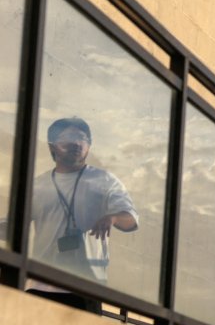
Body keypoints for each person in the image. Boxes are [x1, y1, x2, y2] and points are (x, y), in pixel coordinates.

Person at [24, 117, 139, 313]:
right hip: (40, 286)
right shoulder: (38, 185)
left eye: (83, 138)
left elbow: (131, 220)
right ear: (52, 147)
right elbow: (12, 224)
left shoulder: (104, 180)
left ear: (89, 146)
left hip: (87, 288)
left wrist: (112, 218)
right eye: (69, 137)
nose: (77, 143)